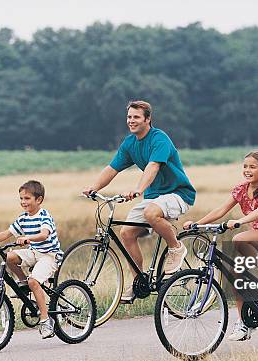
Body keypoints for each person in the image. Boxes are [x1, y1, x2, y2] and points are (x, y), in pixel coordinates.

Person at [83, 100, 196, 303]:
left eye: (136, 117)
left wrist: (138, 189)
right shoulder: (129, 143)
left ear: (148, 119)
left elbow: (153, 166)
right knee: (126, 233)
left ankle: (176, 248)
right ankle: (138, 282)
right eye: (129, 117)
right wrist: (94, 188)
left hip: (178, 194)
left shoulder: (159, 138)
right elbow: (112, 169)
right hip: (154, 197)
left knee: (151, 213)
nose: (131, 121)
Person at [183, 151, 258, 341]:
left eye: (253, 167)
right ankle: (244, 324)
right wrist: (197, 224)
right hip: (256, 235)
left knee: (239, 239)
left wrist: (239, 221)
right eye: (245, 166)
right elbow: (221, 209)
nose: (247, 170)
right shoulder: (241, 189)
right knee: (236, 275)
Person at [0, 180, 62, 339]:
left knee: (34, 282)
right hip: (34, 252)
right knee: (9, 256)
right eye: (21, 198)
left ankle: (45, 321)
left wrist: (28, 238)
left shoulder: (44, 215)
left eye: (27, 198)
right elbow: (6, 234)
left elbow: (44, 234)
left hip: (50, 255)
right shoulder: (23, 218)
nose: (23, 202)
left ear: (39, 200)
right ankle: (23, 283)